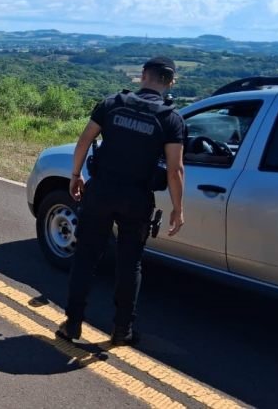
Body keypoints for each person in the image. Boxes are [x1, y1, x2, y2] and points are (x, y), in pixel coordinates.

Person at [57, 56, 185, 346]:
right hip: (136, 199)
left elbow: (83, 141)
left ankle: (72, 324)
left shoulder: (112, 104)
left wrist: (75, 175)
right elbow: (175, 170)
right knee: (130, 265)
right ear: (171, 82)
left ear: (143, 76)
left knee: (86, 258)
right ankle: (122, 330)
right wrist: (178, 208)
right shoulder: (170, 119)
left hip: (100, 192)